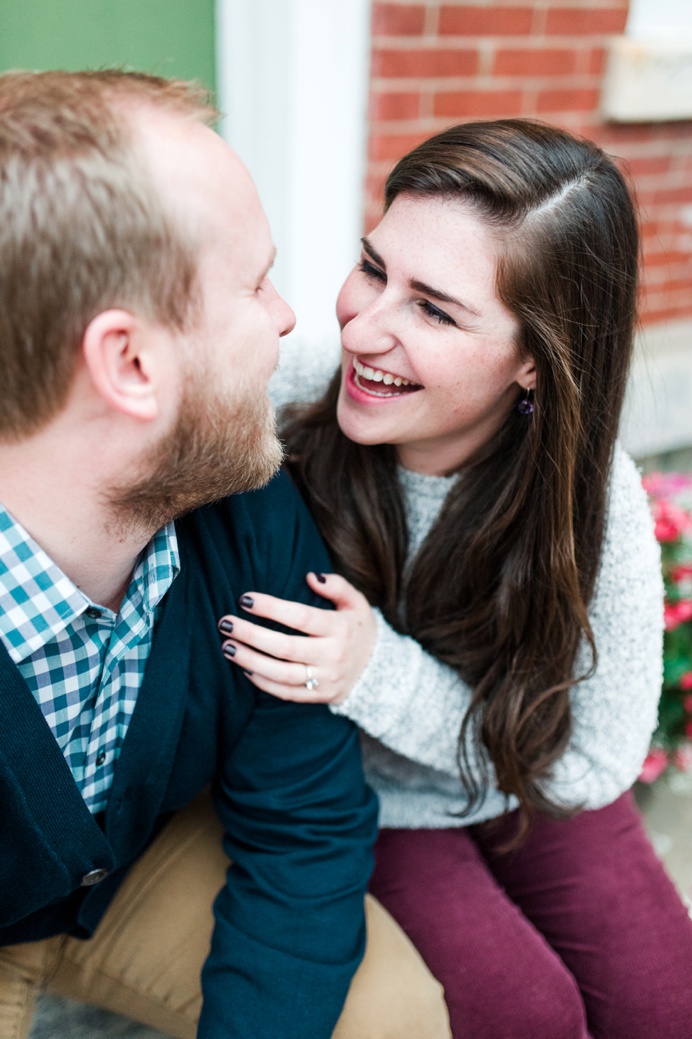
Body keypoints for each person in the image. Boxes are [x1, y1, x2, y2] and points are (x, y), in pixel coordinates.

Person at [0, 70, 451, 1039]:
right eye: (253, 284)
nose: (292, 317)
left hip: (128, 869)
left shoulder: (243, 503)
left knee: (391, 1014)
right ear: (129, 364)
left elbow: (305, 824)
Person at [218, 119, 692, 1038]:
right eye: (372, 267)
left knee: (658, 1004)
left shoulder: (594, 505)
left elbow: (595, 762)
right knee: (527, 1012)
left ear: (534, 360)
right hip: (362, 794)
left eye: (433, 309)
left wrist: (374, 675)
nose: (364, 324)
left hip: (527, 776)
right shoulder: (286, 394)